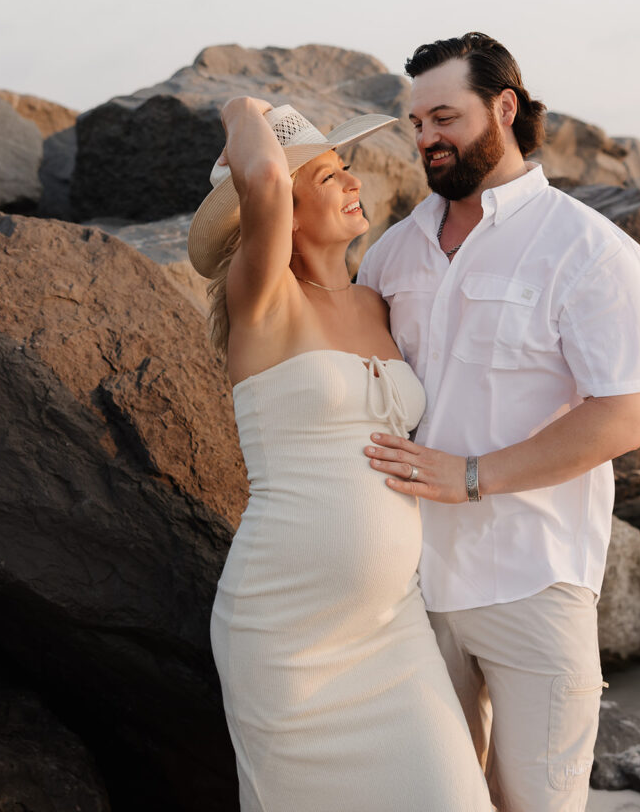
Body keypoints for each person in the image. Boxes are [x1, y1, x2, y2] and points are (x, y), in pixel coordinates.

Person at [357, 32, 640, 812]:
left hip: (533, 578)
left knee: (538, 803)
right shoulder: (391, 256)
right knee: (433, 800)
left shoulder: (591, 251)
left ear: (503, 107)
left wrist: (471, 478)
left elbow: (622, 417)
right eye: (415, 122)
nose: (426, 137)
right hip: (408, 583)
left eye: (443, 116)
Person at [187, 98, 491, 812]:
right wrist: (240, 110)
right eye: (327, 177)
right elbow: (260, 177)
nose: (354, 182)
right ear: (282, 212)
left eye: (345, 168)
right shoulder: (262, 301)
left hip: (391, 625)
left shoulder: (375, 304)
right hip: (286, 632)